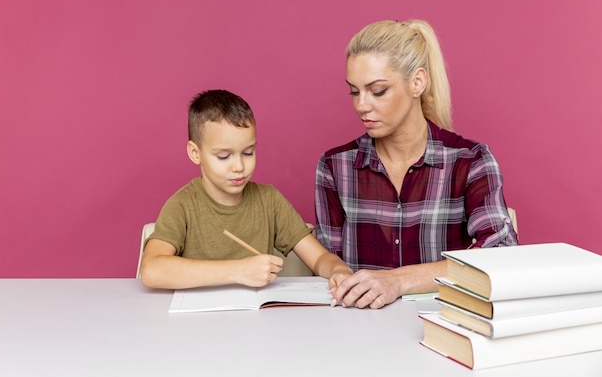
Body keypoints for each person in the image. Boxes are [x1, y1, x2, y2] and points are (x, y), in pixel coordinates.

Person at [315, 19, 518, 309]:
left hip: (445, 326)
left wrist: (398, 281)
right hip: (358, 333)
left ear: (417, 82)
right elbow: (326, 261)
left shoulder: (470, 161)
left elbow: (501, 255)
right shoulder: (335, 166)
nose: (362, 105)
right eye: (355, 91)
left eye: (378, 90)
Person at [141, 89, 353, 291]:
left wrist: (338, 270)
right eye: (224, 156)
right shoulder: (182, 205)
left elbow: (318, 258)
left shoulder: (269, 200)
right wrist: (238, 271)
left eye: (248, 152)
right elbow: (151, 270)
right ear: (195, 153)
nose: (239, 167)